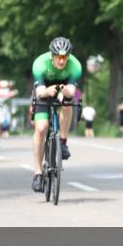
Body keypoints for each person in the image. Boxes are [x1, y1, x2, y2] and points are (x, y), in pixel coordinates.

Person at [30, 37, 82, 192]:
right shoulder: (39, 64)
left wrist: (65, 91)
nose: (61, 60)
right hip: (44, 92)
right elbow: (40, 93)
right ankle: (38, 173)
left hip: (63, 90)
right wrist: (48, 91)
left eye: (65, 57)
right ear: (52, 55)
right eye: (58, 57)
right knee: (41, 128)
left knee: (68, 103)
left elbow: (72, 91)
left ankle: (63, 142)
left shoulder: (75, 66)